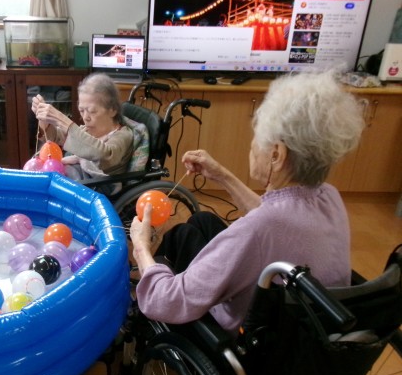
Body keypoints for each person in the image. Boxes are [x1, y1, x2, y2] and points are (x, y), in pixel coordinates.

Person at [129, 71, 365, 336]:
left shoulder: (257, 230)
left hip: (250, 334)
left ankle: (139, 322)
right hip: (312, 328)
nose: (252, 145)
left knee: (180, 235)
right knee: (202, 221)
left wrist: (141, 247)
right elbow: (275, 219)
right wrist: (221, 174)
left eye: (257, 137)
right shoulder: (329, 196)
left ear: (276, 155)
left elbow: (167, 300)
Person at [31, 72, 134, 183]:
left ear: (112, 110)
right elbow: (55, 137)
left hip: (97, 188)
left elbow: (104, 156)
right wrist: (44, 119)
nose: (85, 117)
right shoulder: (87, 130)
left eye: (92, 111)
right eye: (81, 110)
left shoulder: (123, 134)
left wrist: (62, 120)